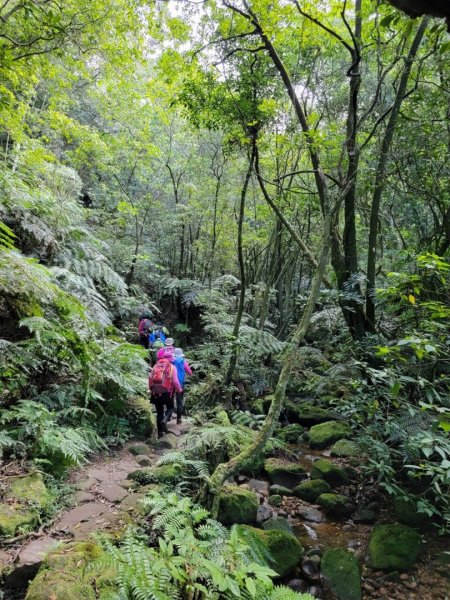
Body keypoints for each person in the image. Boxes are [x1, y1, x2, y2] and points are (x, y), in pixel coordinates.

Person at [148, 349, 182, 438]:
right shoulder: (172, 367)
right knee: (170, 408)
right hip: (167, 392)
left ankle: (160, 433)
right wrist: (179, 390)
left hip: (155, 393)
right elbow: (175, 382)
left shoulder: (155, 366)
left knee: (159, 412)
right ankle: (165, 419)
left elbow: (150, 378)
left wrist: (151, 390)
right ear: (171, 359)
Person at [172, 348, 192, 424]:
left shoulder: (172, 361)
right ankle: (179, 419)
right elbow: (190, 373)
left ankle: (169, 416)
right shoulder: (183, 362)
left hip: (171, 383)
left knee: (170, 399)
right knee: (179, 401)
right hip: (180, 383)